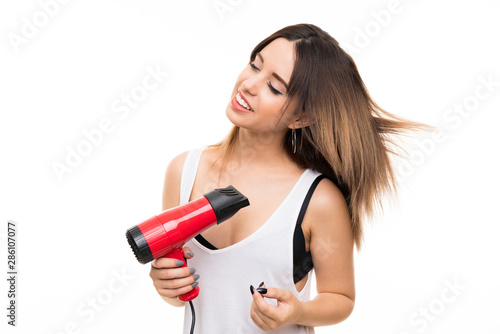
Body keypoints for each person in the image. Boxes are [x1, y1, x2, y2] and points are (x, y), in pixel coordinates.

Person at [149, 23, 427, 333]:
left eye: (274, 87)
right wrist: (168, 286)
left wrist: (298, 311)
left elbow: (340, 298)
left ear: (301, 117)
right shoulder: (183, 171)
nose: (249, 84)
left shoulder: (318, 200)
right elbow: (186, 295)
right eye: (255, 64)